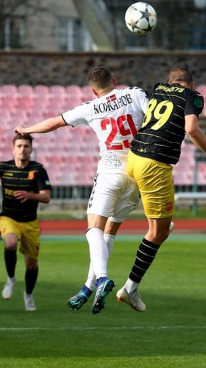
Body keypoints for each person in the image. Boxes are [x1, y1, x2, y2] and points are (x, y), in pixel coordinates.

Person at [14, 67, 149, 315]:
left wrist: (27, 129)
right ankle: (88, 286)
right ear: (114, 81)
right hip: (136, 172)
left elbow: (54, 123)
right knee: (109, 232)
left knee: (94, 228)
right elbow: (156, 119)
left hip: (109, 171)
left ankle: (102, 279)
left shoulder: (90, 107)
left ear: (93, 90)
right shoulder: (135, 93)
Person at [116, 67, 206, 312]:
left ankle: (156, 228)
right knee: (158, 233)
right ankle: (130, 288)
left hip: (135, 157)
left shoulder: (157, 90)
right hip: (155, 164)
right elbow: (191, 129)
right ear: (191, 83)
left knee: (161, 224)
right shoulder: (192, 96)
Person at [0, 133, 52, 312]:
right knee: (10, 243)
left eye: (26, 146)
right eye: (19, 146)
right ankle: (11, 279)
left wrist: (30, 195)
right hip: (8, 217)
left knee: (31, 264)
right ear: (13, 149)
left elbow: (46, 197)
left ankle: (28, 295)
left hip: (30, 222)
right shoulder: (3, 167)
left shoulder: (38, 170)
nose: (22, 149)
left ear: (31, 149)